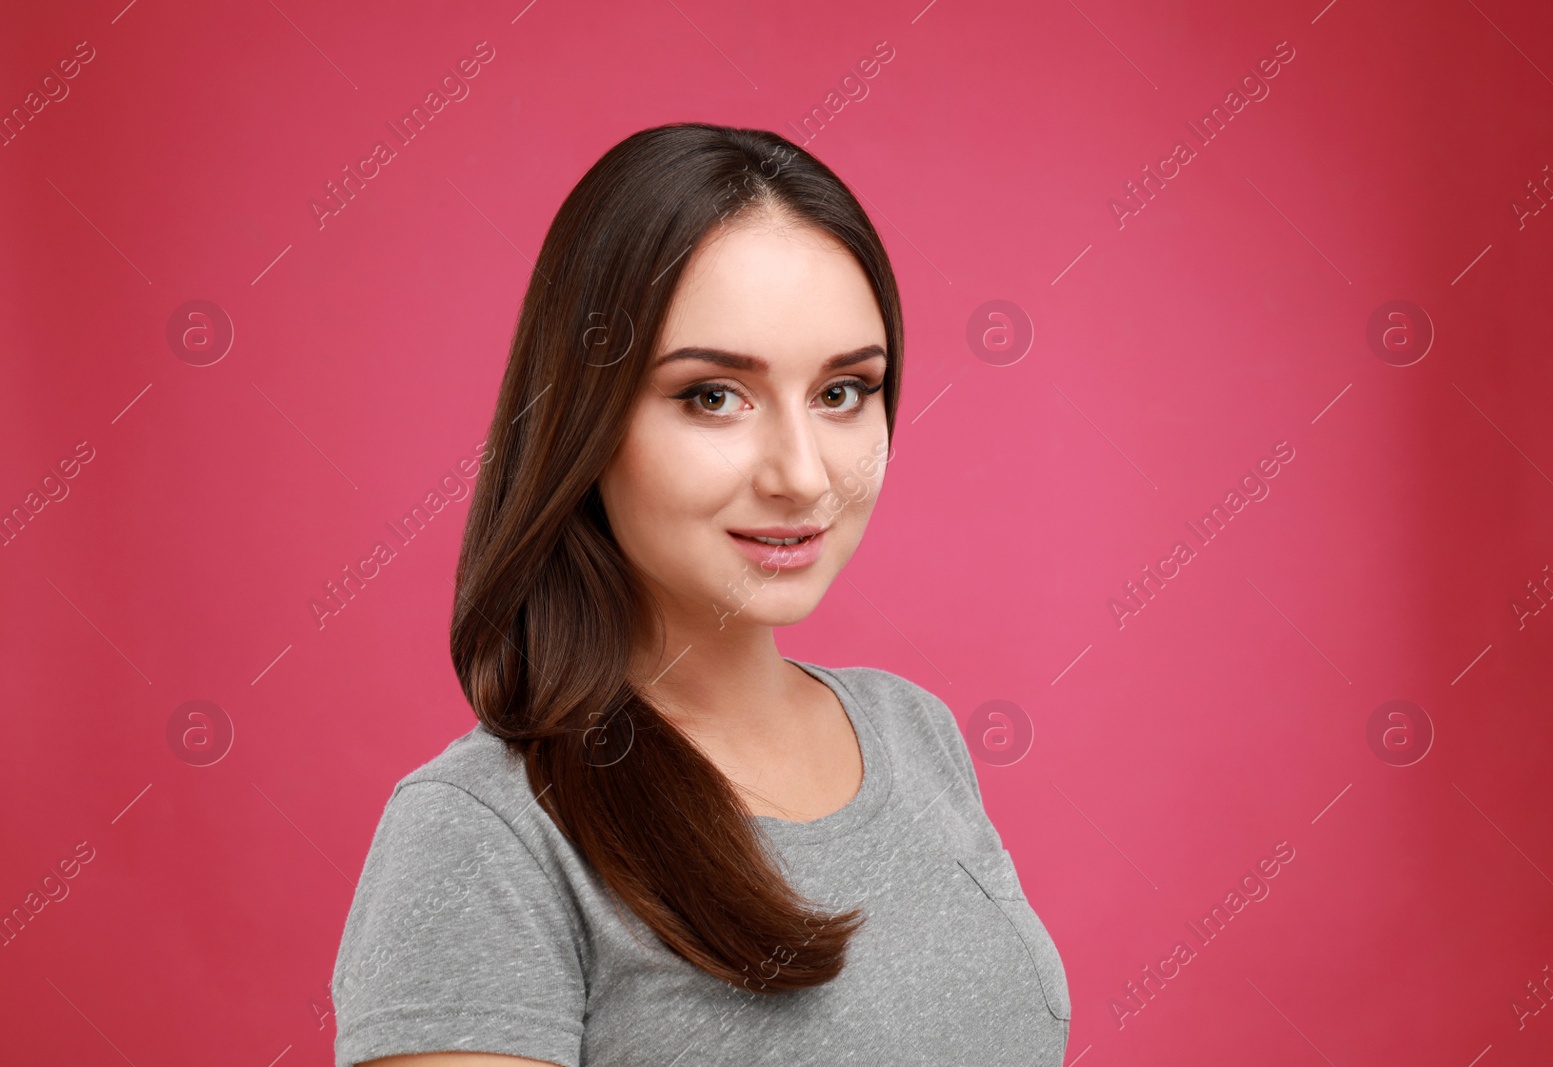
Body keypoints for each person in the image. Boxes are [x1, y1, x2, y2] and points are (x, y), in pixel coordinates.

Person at [330, 122, 1069, 1067]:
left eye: (844, 391)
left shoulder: (912, 731)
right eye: (714, 395)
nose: (802, 476)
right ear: (583, 418)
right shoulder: (485, 835)